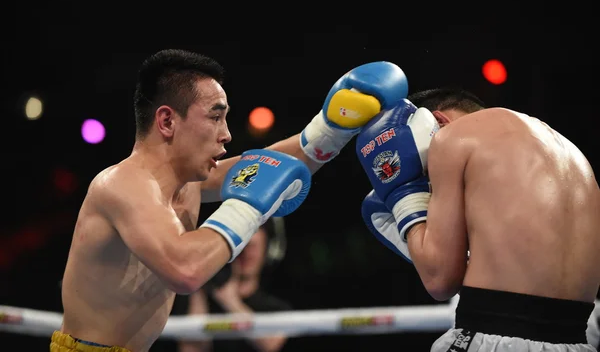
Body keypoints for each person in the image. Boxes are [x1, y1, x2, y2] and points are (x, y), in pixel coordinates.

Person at [50, 48, 409, 352]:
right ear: (166, 121)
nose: (227, 134)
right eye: (215, 116)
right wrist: (248, 207)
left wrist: (331, 130)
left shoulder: (188, 183)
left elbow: (271, 165)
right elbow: (185, 270)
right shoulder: (122, 185)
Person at [356, 88, 600, 351]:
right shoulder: (572, 155)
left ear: (436, 122)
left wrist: (405, 200)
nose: (431, 183)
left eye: (427, 173)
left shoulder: (450, 138)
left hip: (491, 338)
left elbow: (440, 281)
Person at [166, 217, 291, 352]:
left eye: (253, 248)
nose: (247, 254)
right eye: (243, 248)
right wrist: (198, 284)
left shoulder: (274, 308)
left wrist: (230, 301)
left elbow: (272, 344)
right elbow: (191, 350)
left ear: (267, 250)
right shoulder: (201, 298)